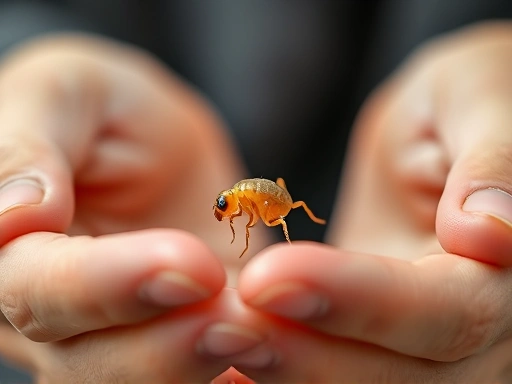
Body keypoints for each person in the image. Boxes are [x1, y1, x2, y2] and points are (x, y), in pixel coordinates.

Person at [1, 1, 512, 383]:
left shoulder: (249, 201)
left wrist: (494, 48)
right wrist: (29, 53)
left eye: (225, 210)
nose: (227, 215)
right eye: (225, 211)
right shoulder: (238, 202)